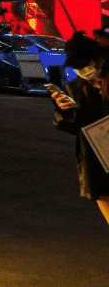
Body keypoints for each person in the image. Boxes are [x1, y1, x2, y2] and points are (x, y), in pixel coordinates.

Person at [52, 31, 109, 226]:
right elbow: (70, 126)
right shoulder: (75, 89)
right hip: (96, 155)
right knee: (104, 197)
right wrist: (64, 110)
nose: (83, 71)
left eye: (85, 64)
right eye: (78, 67)